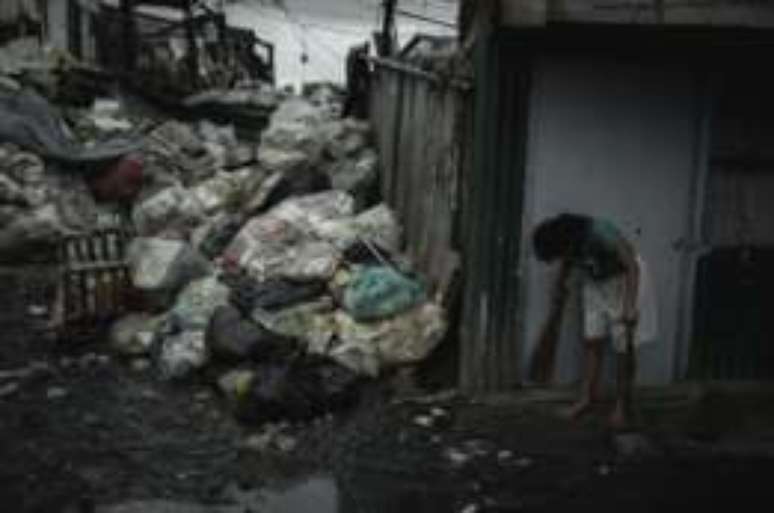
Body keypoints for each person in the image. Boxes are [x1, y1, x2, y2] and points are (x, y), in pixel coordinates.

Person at [532, 213, 657, 428]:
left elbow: (632, 266)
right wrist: (561, 285)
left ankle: (621, 406)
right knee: (592, 342)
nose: (559, 258)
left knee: (623, 349)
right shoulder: (568, 243)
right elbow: (568, 260)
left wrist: (629, 306)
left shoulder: (601, 231)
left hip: (625, 280)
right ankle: (586, 400)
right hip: (596, 282)